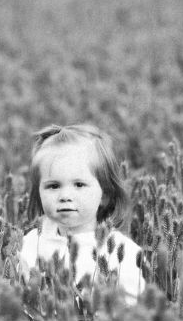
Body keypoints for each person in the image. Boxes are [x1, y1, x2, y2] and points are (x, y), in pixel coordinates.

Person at [19, 124, 145, 304]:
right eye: (53, 186)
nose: (65, 196)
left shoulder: (122, 252)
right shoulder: (30, 245)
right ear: (38, 193)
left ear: (106, 194)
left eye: (79, 185)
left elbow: (137, 309)